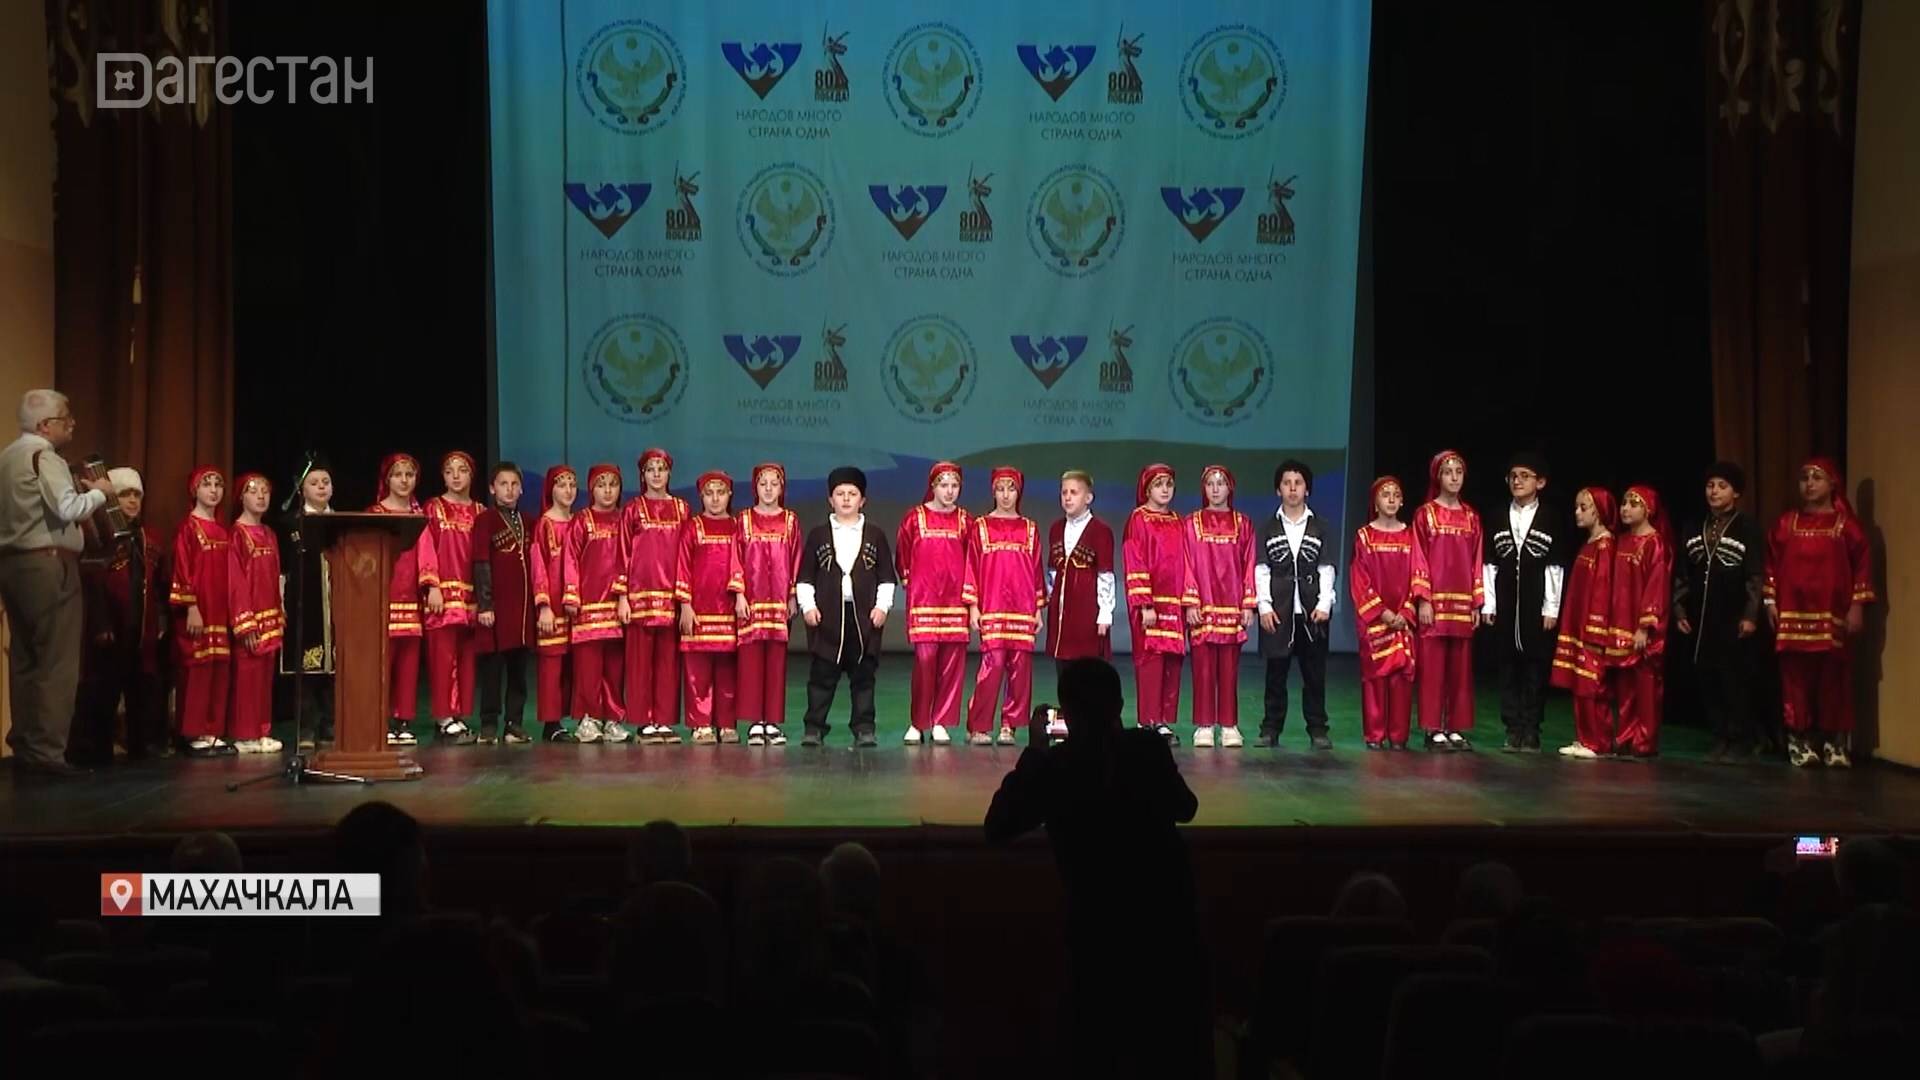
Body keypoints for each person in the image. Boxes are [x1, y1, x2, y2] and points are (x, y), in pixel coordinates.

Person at [984, 658, 1209, 1078]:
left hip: (1095, 933)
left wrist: (1035, 753)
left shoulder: (1058, 766)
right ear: (1119, 706)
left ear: (1066, 715)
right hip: (1166, 931)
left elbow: (998, 826)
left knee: (1094, 1046)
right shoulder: (1147, 750)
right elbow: (1186, 807)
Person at [0, 389, 113, 777]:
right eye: (66, 417)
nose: (72, 423)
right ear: (45, 425)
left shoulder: (7, 457)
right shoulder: (44, 457)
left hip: (13, 565)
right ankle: (47, 752)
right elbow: (67, 508)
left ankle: (26, 746)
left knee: (25, 658)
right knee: (56, 661)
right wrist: (99, 493)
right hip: (49, 565)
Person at [1766, 457, 1874, 768]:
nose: (1809, 484)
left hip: (1831, 615)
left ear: (1832, 484)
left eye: (1817, 478)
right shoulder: (1786, 523)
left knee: (1833, 680)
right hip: (1792, 615)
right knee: (1795, 680)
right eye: (1804, 478)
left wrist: (1857, 606)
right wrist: (1770, 601)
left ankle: (1834, 742)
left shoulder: (1846, 526)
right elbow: (1770, 565)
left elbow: (1862, 567)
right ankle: (1799, 740)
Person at [1673, 461, 1767, 763]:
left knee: (1734, 679)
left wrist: (1751, 614)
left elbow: (1755, 575)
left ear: (1736, 493)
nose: (1714, 491)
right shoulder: (1694, 526)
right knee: (1708, 677)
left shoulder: (1747, 527)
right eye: (1710, 486)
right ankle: (1720, 736)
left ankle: (1741, 739)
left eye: (1722, 486)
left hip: (1733, 615)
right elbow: (1682, 573)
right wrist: (1679, 609)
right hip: (1702, 617)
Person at [796, 466, 895, 748]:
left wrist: (882, 607)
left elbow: (886, 578)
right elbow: (805, 577)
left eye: (852, 493)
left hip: (863, 619)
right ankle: (814, 727)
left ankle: (864, 728)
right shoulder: (818, 535)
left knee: (863, 677)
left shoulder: (875, 535)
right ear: (831, 499)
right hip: (828, 618)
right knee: (822, 677)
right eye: (840, 494)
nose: (846, 499)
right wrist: (808, 606)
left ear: (863, 500)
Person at [74, 466, 166, 764]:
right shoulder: (99, 536)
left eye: (137, 494)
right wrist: (101, 623)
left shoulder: (149, 537)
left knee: (141, 688)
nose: (132, 500)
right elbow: (93, 583)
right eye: (125, 494)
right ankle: (96, 749)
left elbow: (159, 584)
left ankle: (141, 746)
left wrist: (160, 620)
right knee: (104, 688)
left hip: (141, 628)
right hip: (111, 626)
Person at [1481, 452, 1566, 752]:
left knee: (1534, 668)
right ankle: (1512, 728)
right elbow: (1489, 564)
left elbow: (1555, 565)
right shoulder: (1496, 516)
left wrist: (1551, 607)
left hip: (1535, 604)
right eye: (1513, 476)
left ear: (1540, 482)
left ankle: (1531, 728)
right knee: (1507, 668)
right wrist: (1489, 604)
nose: (1517, 481)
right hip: (1506, 602)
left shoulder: (1551, 518)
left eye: (1525, 476)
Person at [1257, 460, 1336, 750]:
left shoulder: (1320, 526)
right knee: (1275, 675)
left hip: (1312, 612)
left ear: (1307, 489)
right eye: (1286, 483)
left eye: (1298, 483)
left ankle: (1317, 729)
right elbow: (1262, 569)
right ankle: (1270, 729)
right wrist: (1264, 606)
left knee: (1314, 675)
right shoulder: (1267, 527)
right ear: (1278, 489)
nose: (1292, 489)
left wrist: (1325, 602)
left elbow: (1326, 568)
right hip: (1279, 612)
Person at [965, 466, 1046, 746]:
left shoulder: (1030, 528)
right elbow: (972, 567)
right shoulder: (981, 526)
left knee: (1020, 670)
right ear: (993, 492)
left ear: (1019, 492)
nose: (1006, 495)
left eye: (1011, 489)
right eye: (1000, 489)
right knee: (993, 665)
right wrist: (973, 606)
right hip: (992, 607)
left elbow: (1036, 571)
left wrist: (1037, 609)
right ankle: (978, 725)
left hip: (1022, 610)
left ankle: (1009, 725)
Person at [1412, 450, 1486, 750]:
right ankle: (1433, 728)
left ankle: (1455, 726)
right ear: (1438, 477)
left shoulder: (1472, 517)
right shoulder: (1425, 514)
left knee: (1460, 670)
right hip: (1435, 603)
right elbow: (1419, 557)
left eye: (1458, 472)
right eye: (1447, 472)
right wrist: (1423, 599)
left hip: (1462, 603)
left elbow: (1477, 560)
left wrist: (1477, 602)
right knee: (1433, 668)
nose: (1454, 477)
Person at [896, 461, 972, 745]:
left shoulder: (966, 521)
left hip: (956, 603)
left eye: (955, 486)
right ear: (933, 486)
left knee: (951, 665)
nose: (949, 491)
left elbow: (973, 561)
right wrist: (911, 582)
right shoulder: (914, 518)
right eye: (944, 485)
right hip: (924, 602)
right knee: (925, 662)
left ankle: (940, 721)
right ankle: (918, 722)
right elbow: (903, 553)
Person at [1124, 463, 1195, 743]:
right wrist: (1145, 604)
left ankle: (1163, 720)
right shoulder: (1138, 519)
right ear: (1147, 489)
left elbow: (1187, 562)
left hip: (1174, 603)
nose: (1164, 490)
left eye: (1169, 484)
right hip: (1150, 605)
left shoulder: (1179, 521)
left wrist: (1189, 601)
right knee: (1150, 661)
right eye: (1158, 485)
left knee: (1171, 663)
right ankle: (1147, 720)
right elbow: (1134, 558)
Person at [621, 448, 688, 744]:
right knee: (640, 663)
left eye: (661, 468)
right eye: (651, 469)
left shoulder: (682, 509)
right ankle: (643, 721)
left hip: (670, 597)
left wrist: (685, 597)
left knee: (668, 663)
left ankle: (663, 719)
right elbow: (622, 553)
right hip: (640, 598)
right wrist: (622, 597)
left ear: (669, 473)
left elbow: (687, 554)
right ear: (643, 475)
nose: (656, 474)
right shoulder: (633, 509)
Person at [415, 451, 481, 744]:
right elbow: (425, 546)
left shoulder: (479, 511)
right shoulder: (433, 508)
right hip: (442, 595)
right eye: (449, 470)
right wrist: (432, 586)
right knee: (442, 658)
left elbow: (482, 558)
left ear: (471, 475)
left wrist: (483, 597)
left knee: (466, 658)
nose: (456, 476)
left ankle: (460, 714)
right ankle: (444, 716)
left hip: (470, 596)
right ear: (442, 476)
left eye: (462, 470)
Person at [1044, 469, 1114, 741]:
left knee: (1087, 669)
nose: (1068, 497)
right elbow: (1052, 572)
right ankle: (1069, 721)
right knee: (1063, 667)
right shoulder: (1055, 529)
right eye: (1064, 492)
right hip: (1061, 614)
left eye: (1074, 492)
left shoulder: (1101, 531)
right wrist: (1051, 600)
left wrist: (1104, 613)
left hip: (1087, 612)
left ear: (1088, 497)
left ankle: (1092, 724)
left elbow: (1105, 574)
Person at [675, 471, 744, 744]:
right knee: (698, 672)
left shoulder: (738, 527)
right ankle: (701, 723)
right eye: (709, 493)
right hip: (699, 611)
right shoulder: (692, 527)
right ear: (701, 496)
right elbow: (682, 565)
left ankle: (726, 722)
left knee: (728, 671)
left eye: (721, 493)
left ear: (729, 495)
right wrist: (685, 605)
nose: (715, 499)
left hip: (728, 610)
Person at [1349, 477, 1418, 750]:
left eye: (1396, 494)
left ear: (1402, 502)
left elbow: (1418, 576)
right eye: (1385, 494)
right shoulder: (1364, 537)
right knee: (1374, 677)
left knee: (1401, 677)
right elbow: (1360, 579)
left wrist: (1406, 611)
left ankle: (1398, 736)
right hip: (1375, 621)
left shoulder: (1411, 536)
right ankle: (1375, 735)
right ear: (1375, 503)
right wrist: (1384, 613)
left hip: (1402, 619)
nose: (1391, 499)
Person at [736, 463, 801, 747]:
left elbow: (796, 558)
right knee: (751, 662)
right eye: (763, 484)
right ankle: (754, 722)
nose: (769, 489)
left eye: (774, 484)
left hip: (778, 602)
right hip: (751, 601)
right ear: (755, 487)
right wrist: (739, 594)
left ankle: (772, 721)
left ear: (782, 488)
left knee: (776, 662)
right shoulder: (744, 520)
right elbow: (736, 557)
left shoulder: (790, 521)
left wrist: (792, 595)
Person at [171, 466, 235, 756]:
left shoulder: (223, 531)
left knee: (218, 668)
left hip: (220, 611)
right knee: (197, 668)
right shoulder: (189, 528)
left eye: (218, 484)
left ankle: (212, 730)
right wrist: (191, 606)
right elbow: (182, 569)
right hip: (199, 609)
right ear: (194, 490)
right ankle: (192, 731)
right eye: (207, 484)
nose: (213, 490)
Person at [563, 463, 630, 742]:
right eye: (601, 485)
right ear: (592, 489)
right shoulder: (582, 520)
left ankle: (613, 719)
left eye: (613, 485)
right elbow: (570, 558)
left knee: (614, 667)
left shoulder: (625, 520)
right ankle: (588, 719)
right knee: (588, 667)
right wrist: (571, 594)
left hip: (617, 606)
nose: (607, 491)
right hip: (588, 606)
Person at [1606, 485, 1673, 759]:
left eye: (1633, 504)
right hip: (1620, 623)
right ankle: (1624, 736)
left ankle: (1644, 740)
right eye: (1624, 503)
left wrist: (1645, 626)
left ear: (1648, 510)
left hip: (1642, 627)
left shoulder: (1654, 543)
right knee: (1624, 687)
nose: (1625, 509)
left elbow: (1657, 586)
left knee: (1645, 686)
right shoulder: (1621, 541)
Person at [1553, 488, 1619, 759]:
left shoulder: (1605, 547)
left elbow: (1603, 590)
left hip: (1592, 629)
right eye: (1577, 507)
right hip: (1578, 624)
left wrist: (1595, 629)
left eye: (1584, 507)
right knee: (1580, 684)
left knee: (1592, 685)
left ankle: (1598, 741)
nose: (1577, 513)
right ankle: (1584, 738)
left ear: (1599, 511)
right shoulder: (1589, 544)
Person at [473, 461, 535, 745]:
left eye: (514, 484)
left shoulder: (529, 521)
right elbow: (481, 562)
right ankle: (488, 724)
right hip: (496, 608)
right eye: (503, 484)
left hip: (522, 610)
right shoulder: (485, 520)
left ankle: (514, 723)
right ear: (492, 488)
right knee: (492, 669)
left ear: (521, 489)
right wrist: (485, 604)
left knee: (518, 670)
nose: (509, 490)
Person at [278, 455, 335, 751]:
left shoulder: (341, 522)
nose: (321, 487)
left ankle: (331, 724)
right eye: (314, 483)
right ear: (302, 489)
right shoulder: (292, 524)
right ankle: (307, 727)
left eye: (326, 482)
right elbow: (282, 570)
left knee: (334, 670)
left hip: (336, 606)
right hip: (303, 604)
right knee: (306, 669)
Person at [226, 473, 285, 754]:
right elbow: (235, 581)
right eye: (253, 491)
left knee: (264, 679)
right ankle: (244, 734)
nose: (261, 496)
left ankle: (262, 730)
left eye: (265, 491)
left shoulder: (270, 533)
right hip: (251, 617)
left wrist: (280, 610)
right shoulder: (237, 534)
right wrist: (245, 622)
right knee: (247, 677)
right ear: (241, 497)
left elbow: (275, 576)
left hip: (270, 615)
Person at [369, 453, 424, 745]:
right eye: (398, 475)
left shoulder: (419, 516)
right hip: (383, 599)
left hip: (412, 599)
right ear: (387, 479)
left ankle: (404, 720)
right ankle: (381, 719)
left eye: (409, 475)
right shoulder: (374, 514)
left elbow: (427, 556)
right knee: (382, 663)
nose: (404, 481)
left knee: (408, 664)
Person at [528, 465, 576, 742]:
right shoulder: (544, 525)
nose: (568, 490)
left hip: (575, 607)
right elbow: (539, 567)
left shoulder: (579, 522)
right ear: (551, 490)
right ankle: (551, 722)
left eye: (572, 485)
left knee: (572, 666)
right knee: (551, 665)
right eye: (561, 485)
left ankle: (569, 718)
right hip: (553, 606)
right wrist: (543, 605)